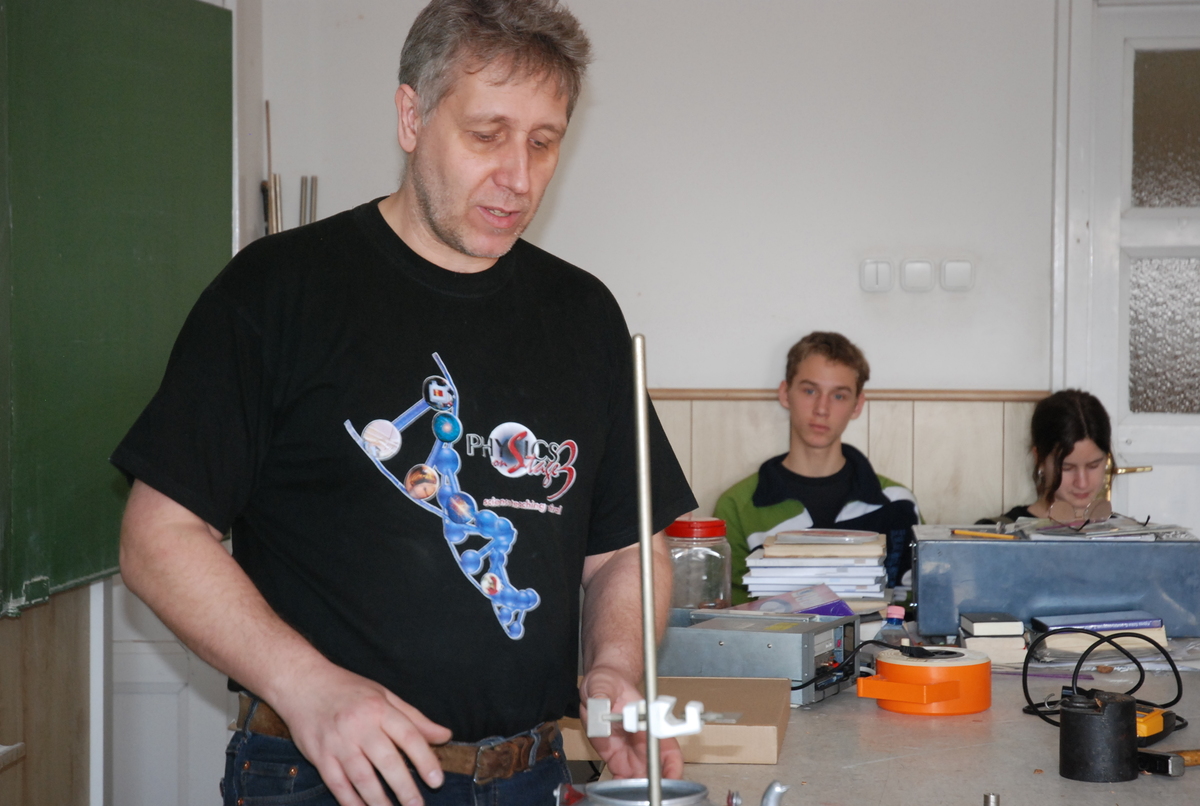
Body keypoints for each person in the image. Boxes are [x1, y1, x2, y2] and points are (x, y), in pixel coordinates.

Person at [110, 2, 696, 805]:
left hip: (532, 775)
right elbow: (158, 537)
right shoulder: (279, 290)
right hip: (330, 778)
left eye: (542, 142)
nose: (518, 176)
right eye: (486, 135)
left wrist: (614, 669)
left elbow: (625, 549)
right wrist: (307, 685)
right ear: (412, 117)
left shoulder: (583, 314)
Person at [713, 332, 919, 603]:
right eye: (810, 391)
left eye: (839, 396)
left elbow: (916, 604)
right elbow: (734, 613)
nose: (822, 408)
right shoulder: (737, 506)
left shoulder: (898, 502)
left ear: (857, 405)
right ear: (785, 394)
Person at [980, 389, 1112, 523]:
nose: (1082, 483)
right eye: (1066, 468)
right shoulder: (995, 531)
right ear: (1040, 459)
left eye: (1093, 466)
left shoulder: (1121, 530)